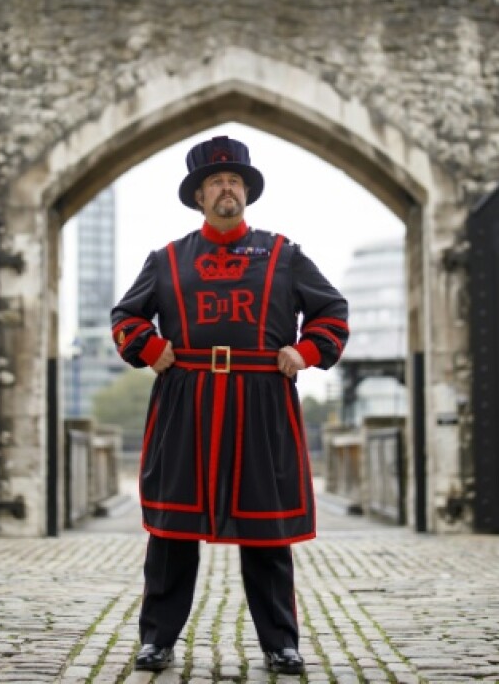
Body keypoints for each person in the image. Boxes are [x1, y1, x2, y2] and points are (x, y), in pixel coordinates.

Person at [110, 135, 349, 676]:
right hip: (185, 401)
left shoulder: (285, 254)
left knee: (267, 531)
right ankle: (157, 640)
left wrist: (305, 351)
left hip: (261, 402)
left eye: (235, 181)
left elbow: (331, 310)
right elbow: (126, 316)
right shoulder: (167, 259)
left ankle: (280, 643)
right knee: (172, 532)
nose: (226, 189)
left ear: (247, 192)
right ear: (199, 196)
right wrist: (150, 347)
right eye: (216, 182)